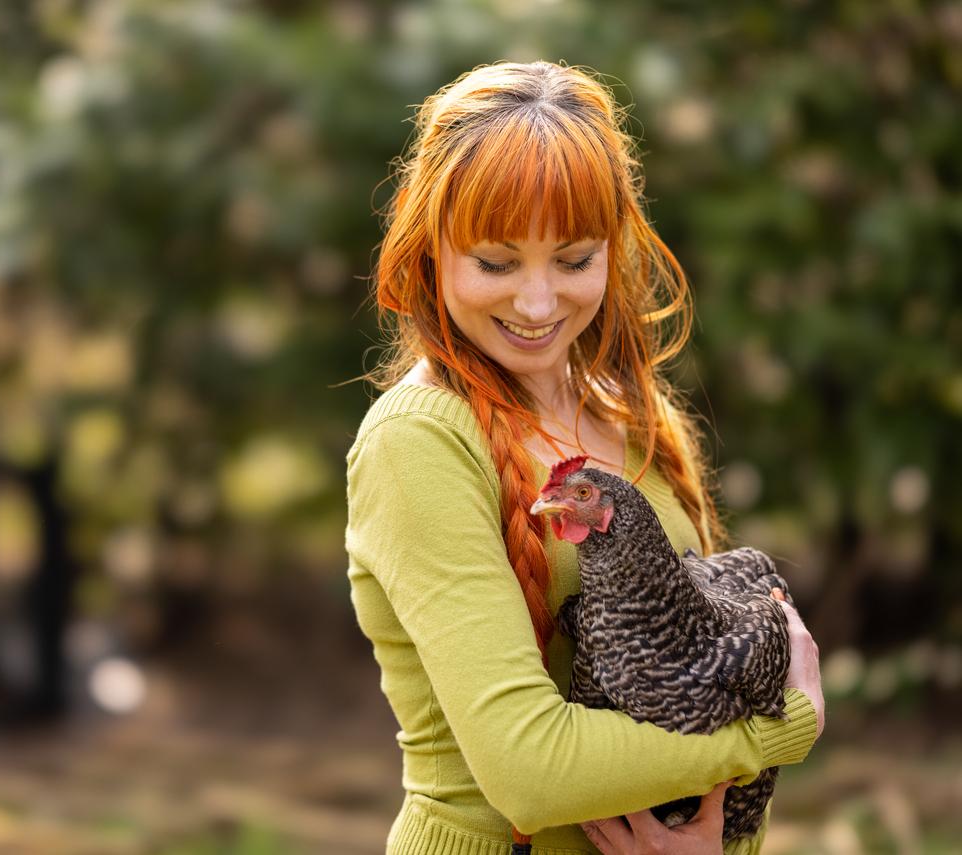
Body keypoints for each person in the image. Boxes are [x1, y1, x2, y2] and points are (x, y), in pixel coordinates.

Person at [343, 60, 825, 855]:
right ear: (429, 247)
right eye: (495, 262)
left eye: (572, 260)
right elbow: (530, 772)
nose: (537, 303)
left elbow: (706, 684)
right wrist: (779, 732)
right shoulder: (418, 442)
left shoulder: (632, 413)